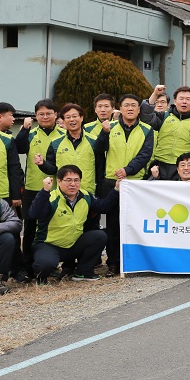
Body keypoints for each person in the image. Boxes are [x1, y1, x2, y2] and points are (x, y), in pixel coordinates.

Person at [94, 94, 154, 275]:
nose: (130, 108)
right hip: (112, 183)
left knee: (135, 224)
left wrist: (128, 170)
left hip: (136, 184)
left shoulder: (147, 130)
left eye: (133, 105)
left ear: (138, 109)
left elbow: (145, 155)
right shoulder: (109, 127)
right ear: (119, 109)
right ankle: (113, 263)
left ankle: (135, 261)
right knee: (113, 226)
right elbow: (98, 149)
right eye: (126, 105)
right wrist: (104, 134)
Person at [29, 166, 120, 283]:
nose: (73, 184)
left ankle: (83, 272)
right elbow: (34, 213)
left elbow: (104, 206)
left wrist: (116, 189)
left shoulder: (86, 196)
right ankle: (41, 277)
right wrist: (44, 191)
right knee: (45, 265)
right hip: (49, 244)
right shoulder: (51, 197)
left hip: (73, 244)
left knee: (100, 236)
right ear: (59, 181)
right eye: (68, 180)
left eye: (76, 180)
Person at [15, 99, 64, 277]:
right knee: (29, 228)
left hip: (56, 189)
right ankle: (27, 266)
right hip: (32, 187)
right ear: (36, 116)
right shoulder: (30, 133)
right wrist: (24, 129)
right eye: (41, 114)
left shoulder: (63, 134)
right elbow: (19, 148)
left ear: (55, 115)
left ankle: (50, 266)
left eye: (48, 113)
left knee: (53, 226)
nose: (45, 117)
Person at [141, 85, 190, 180]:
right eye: (181, 98)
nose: (184, 101)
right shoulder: (164, 116)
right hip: (160, 165)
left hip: (182, 168)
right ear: (175, 101)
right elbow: (146, 116)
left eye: (188, 99)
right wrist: (155, 94)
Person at [43, 103, 102, 195]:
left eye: (75, 116)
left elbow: (100, 168)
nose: (72, 119)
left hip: (87, 193)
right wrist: (42, 164)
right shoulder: (55, 143)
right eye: (68, 117)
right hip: (62, 193)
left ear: (81, 118)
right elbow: (52, 169)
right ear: (63, 120)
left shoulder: (94, 141)